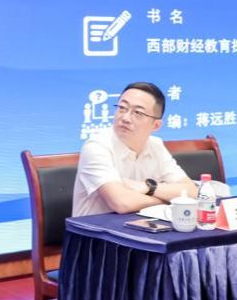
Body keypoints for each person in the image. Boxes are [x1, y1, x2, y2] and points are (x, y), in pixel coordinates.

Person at [73, 82, 197, 216]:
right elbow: (122, 203)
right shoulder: (97, 146)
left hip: (140, 224)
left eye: (138, 113)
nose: (125, 118)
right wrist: (168, 200)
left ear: (156, 125)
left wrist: (147, 187)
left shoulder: (155, 145)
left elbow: (191, 191)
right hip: (95, 228)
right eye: (122, 108)